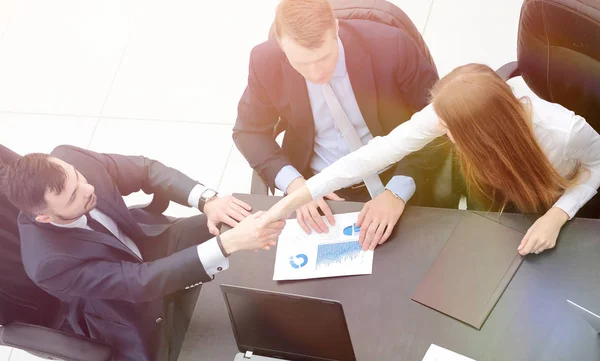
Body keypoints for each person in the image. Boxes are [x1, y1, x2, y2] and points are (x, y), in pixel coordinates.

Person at [263, 63, 600, 255]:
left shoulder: (562, 131)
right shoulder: (449, 113)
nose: (443, 133)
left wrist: (558, 215)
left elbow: (598, 165)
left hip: (557, 197)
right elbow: (374, 154)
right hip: (499, 188)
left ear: (483, 131)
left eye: (451, 130)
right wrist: (286, 204)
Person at [0, 145, 284, 361]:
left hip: (149, 246)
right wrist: (227, 245)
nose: (88, 189)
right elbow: (138, 282)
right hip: (135, 311)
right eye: (73, 196)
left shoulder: (72, 158)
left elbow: (146, 170)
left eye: (79, 178)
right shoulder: (48, 263)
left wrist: (207, 200)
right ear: (46, 218)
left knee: (240, 219)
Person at [234, 0, 450, 240]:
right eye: (302, 64)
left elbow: (438, 121)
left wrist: (396, 192)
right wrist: (297, 187)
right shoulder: (265, 60)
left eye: (324, 58)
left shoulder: (392, 47)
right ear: (281, 43)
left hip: (398, 171)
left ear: (336, 29)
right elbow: (249, 132)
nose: (316, 73)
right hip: (318, 189)